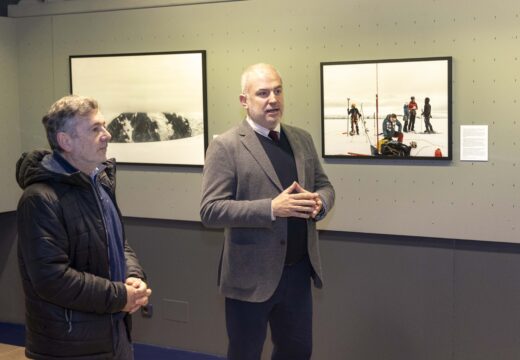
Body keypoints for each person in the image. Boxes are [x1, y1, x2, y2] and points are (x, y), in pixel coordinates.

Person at [200, 63, 335, 360]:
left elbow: (325, 186)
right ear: (244, 100)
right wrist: (271, 208)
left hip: (298, 273)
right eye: (263, 93)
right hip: (250, 278)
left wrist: (320, 203)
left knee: (297, 352)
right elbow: (211, 210)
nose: (273, 99)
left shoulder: (301, 139)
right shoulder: (226, 146)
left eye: (277, 90)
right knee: (245, 353)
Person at [16, 95, 152, 360]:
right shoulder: (39, 199)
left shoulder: (98, 183)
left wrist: (132, 276)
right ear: (65, 141)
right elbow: (51, 279)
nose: (107, 135)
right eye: (94, 129)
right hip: (69, 347)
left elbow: (116, 241)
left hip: (113, 335)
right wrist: (118, 296)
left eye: (104, 125)